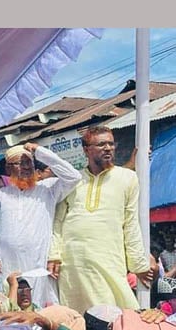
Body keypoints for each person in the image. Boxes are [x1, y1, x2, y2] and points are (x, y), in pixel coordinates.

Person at [49, 126, 155, 313]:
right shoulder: (73, 180)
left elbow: (131, 223)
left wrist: (138, 265)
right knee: (77, 317)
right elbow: (57, 221)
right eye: (101, 144)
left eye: (111, 144)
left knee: (113, 315)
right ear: (86, 150)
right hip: (73, 263)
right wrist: (53, 255)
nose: (108, 148)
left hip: (108, 259)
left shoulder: (128, 178)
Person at [0, 142, 81, 308]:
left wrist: (39, 151)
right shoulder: (1, 194)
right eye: (20, 163)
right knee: (10, 308)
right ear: (9, 168)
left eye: (29, 162)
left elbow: (73, 176)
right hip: (7, 264)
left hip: (38, 263)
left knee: (39, 308)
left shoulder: (48, 189)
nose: (26, 167)